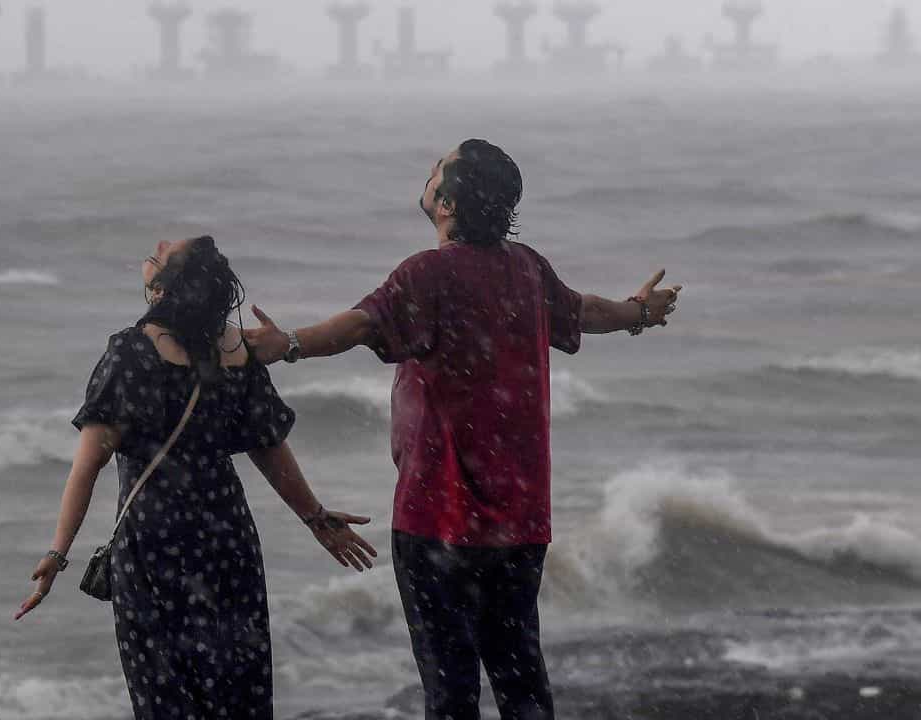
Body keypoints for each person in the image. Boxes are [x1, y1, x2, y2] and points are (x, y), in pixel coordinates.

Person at [244, 140, 682, 720]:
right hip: (521, 516)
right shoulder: (526, 268)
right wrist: (641, 313)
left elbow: (359, 325)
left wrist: (289, 344)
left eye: (436, 170)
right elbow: (586, 312)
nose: (427, 174)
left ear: (446, 202)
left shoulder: (427, 273)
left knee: (450, 691)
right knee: (522, 680)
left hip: (438, 514)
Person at [12, 235, 377, 719]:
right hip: (228, 541)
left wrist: (58, 553)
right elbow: (267, 446)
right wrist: (313, 517)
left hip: (155, 548)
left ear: (165, 286)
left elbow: (88, 464)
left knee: (166, 693)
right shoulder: (237, 351)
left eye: (162, 253)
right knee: (236, 688)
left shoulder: (131, 354)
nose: (156, 245)